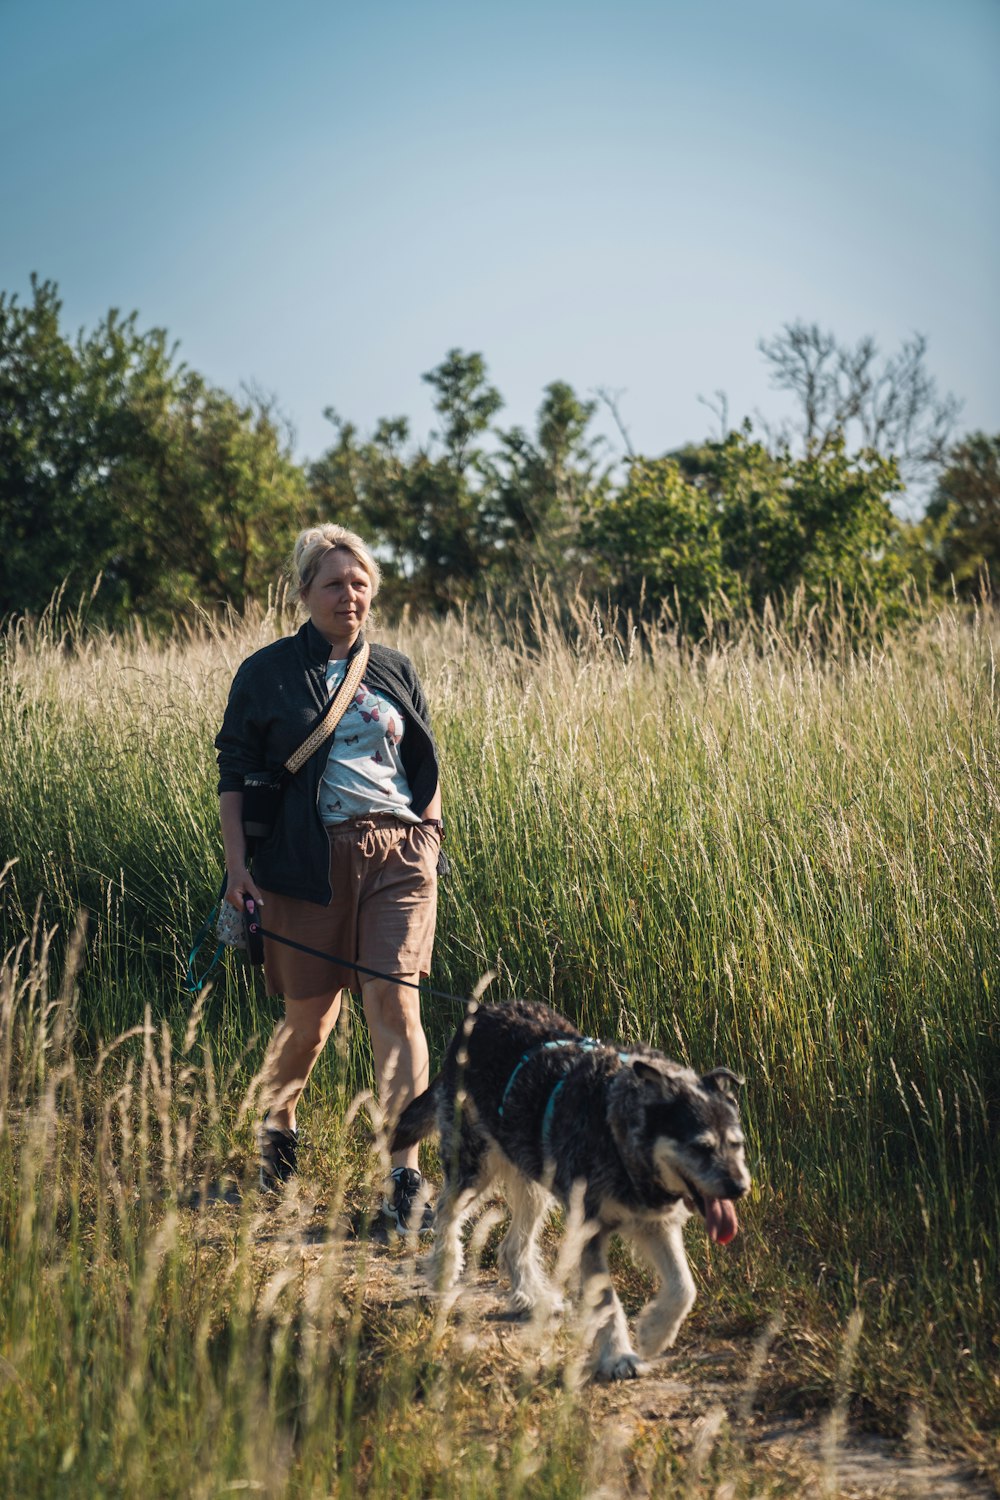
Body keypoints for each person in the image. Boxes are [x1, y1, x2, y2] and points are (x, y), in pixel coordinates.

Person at [215, 524, 444, 1232]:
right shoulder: (266, 673)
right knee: (310, 1024)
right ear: (305, 592)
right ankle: (278, 1124)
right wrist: (236, 870)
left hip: (399, 857)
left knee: (395, 1009)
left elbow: (424, 762)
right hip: (304, 862)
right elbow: (233, 776)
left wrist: (431, 834)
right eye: (334, 583)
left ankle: (404, 1179)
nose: (350, 594)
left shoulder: (395, 667)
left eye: (359, 582)